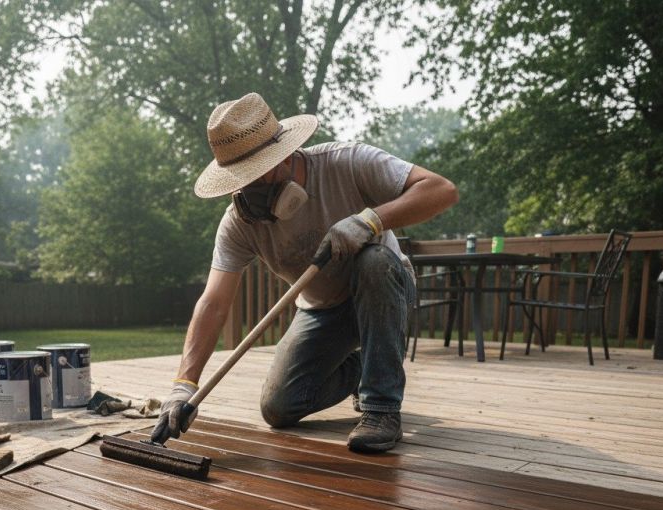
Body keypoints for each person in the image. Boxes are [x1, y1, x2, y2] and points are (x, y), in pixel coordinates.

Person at [153, 92, 458, 453]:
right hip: (322, 309)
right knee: (279, 407)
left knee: (373, 261)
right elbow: (214, 302)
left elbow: (442, 190)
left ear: (283, 156)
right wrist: (183, 384)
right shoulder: (240, 222)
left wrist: (370, 221)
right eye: (238, 179)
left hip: (385, 289)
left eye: (255, 174)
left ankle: (381, 409)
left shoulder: (346, 162)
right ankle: (364, 367)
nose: (247, 190)